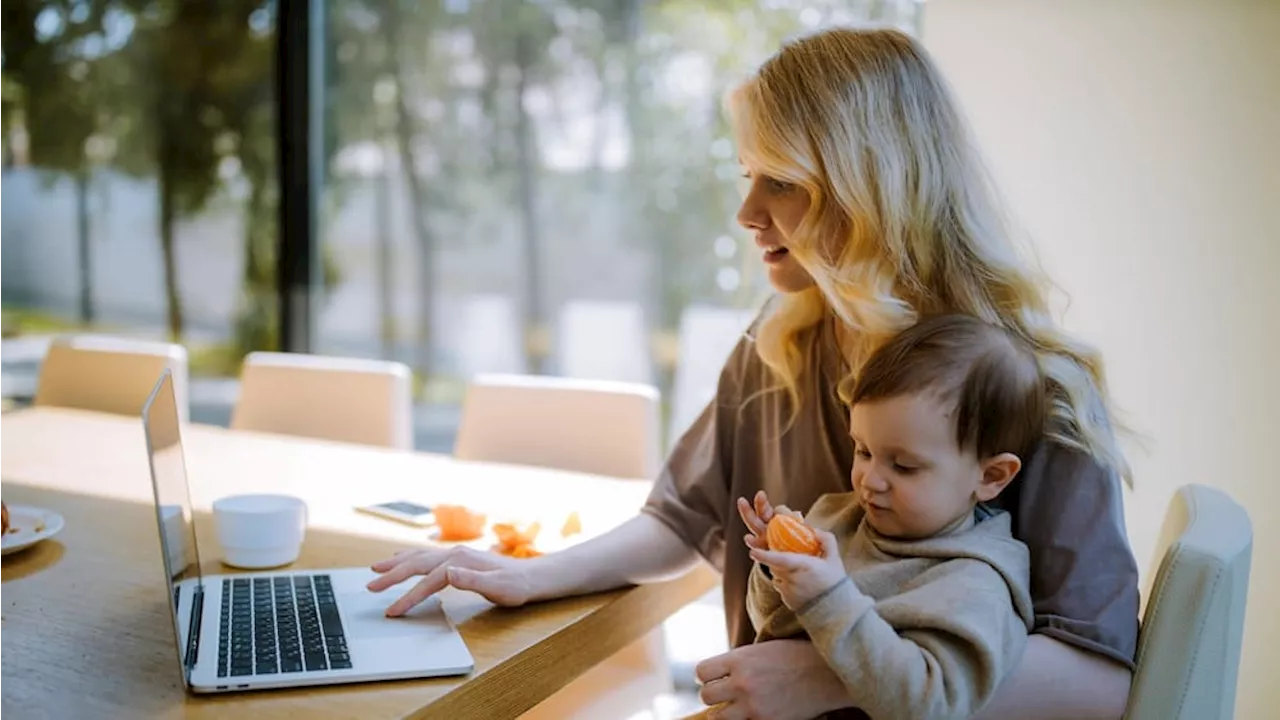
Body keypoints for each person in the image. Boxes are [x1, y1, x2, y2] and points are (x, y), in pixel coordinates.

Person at [366, 26, 1140, 720]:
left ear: (871, 190)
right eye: (747, 175)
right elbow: (680, 520)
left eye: (782, 181)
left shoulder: (1037, 389)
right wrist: (532, 575)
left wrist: (830, 676)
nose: (746, 213)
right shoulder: (777, 348)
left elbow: (1099, 682)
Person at [695, 313, 1047, 720]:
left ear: (990, 476)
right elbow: (773, 626)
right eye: (863, 451)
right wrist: (779, 573)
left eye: (903, 466)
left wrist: (828, 598)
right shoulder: (839, 518)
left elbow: (929, 704)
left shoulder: (974, 584)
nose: (870, 480)